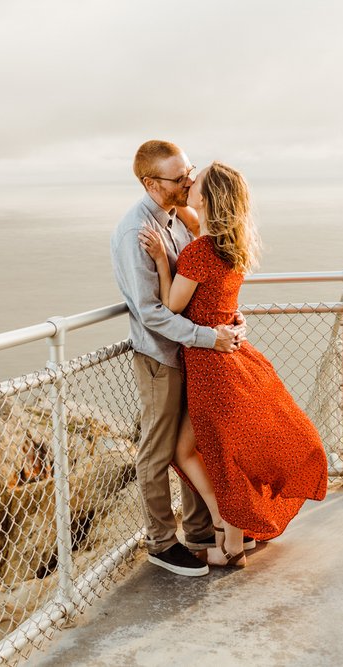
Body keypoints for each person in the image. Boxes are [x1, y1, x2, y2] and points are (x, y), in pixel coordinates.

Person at [139, 161, 329, 567]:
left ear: (206, 198)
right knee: (210, 451)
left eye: (196, 181)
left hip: (209, 367)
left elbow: (172, 304)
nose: (188, 182)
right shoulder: (229, 247)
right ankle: (230, 532)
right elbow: (197, 226)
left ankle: (230, 543)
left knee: (196, 452)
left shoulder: (198, 252)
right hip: (232, 358)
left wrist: (159, 259)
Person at [111, 140, 247, 577]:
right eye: (179, 176)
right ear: (151, 183)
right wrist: (210, 336)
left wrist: (228, 319)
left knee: (199, 442)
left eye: (190, 171)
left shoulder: (177, 217)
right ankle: (162, 543)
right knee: (159, 448)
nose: (189, 180)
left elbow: (204, 280)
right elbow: (152, 312)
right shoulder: (137, 232)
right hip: (162, 357)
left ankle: (202, 530)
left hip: (194, 352)